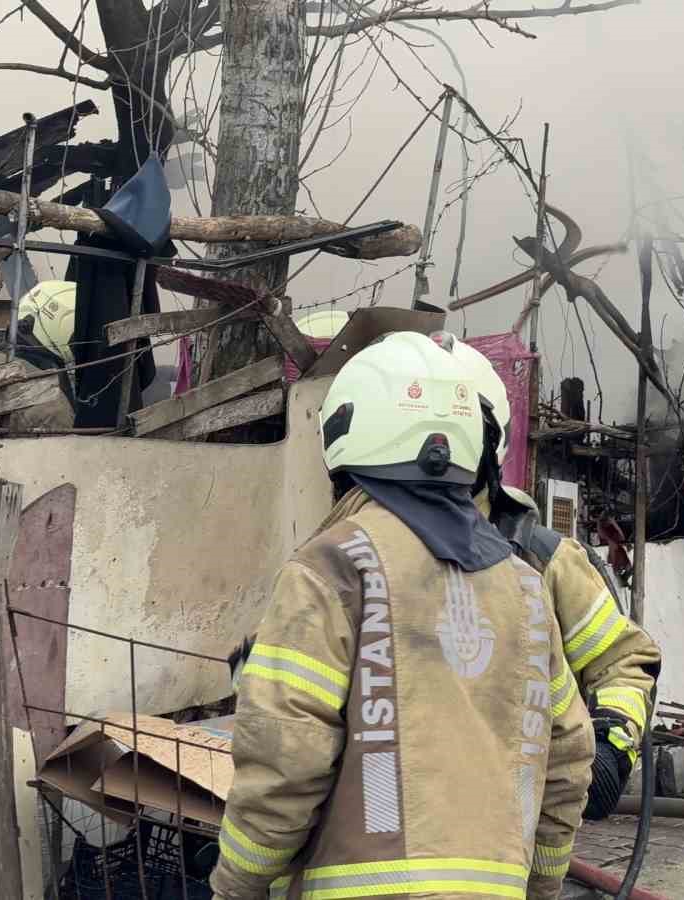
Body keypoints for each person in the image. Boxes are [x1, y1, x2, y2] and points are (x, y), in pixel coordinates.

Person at [211, 330, 592, 900]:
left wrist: (236, 884)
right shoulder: (525, 587)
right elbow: (566, 762)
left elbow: (287, 757)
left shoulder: (332, 567)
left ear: (348, 433)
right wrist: (540, 884)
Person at [433, 331, 662, 821]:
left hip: (528, 818)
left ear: (486, 440)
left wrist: (610, 745)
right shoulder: (358, 557)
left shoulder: (543, 560)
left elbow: (624, 661)